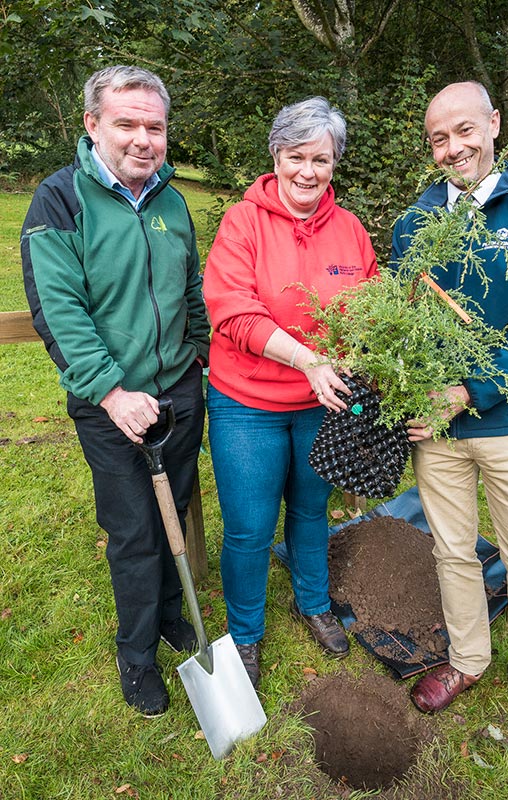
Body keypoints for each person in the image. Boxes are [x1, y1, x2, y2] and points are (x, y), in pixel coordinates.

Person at [391, 81, 508, 753]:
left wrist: (467, 393)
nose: (454, 148)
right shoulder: (412, 226)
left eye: (464, 130)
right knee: (451, 552)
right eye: (439, 138)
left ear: (495, 124)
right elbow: (405, 323)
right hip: (437, 433)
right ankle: (467, 658)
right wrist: (409, 389)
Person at [21, 65, 211, 718]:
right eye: (126, 123)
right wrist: (111, 392)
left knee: (174, 507)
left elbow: (190, 291)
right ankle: (137, 658)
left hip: (179, 391)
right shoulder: (60, 200)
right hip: (112, 407)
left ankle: (166, 615)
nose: (142, 138)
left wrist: (205, 359)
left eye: (154, 126)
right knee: (134, 531)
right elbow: (59, 311)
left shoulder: (173, 201)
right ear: (92, 125)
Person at [202, 96, 378, 688]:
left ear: (335, 164)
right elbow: (232, 311)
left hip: (320, 406)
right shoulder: (242, 222)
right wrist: (307, 359)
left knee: (310, 511)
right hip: (246, 405)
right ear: (276, 155)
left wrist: (376, 346)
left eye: (321, 159)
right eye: (296, 155)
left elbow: (371, 310)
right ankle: (245, 635)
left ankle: (314, 603)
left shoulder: (351, 231)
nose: (307, 171)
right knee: (250, 528)